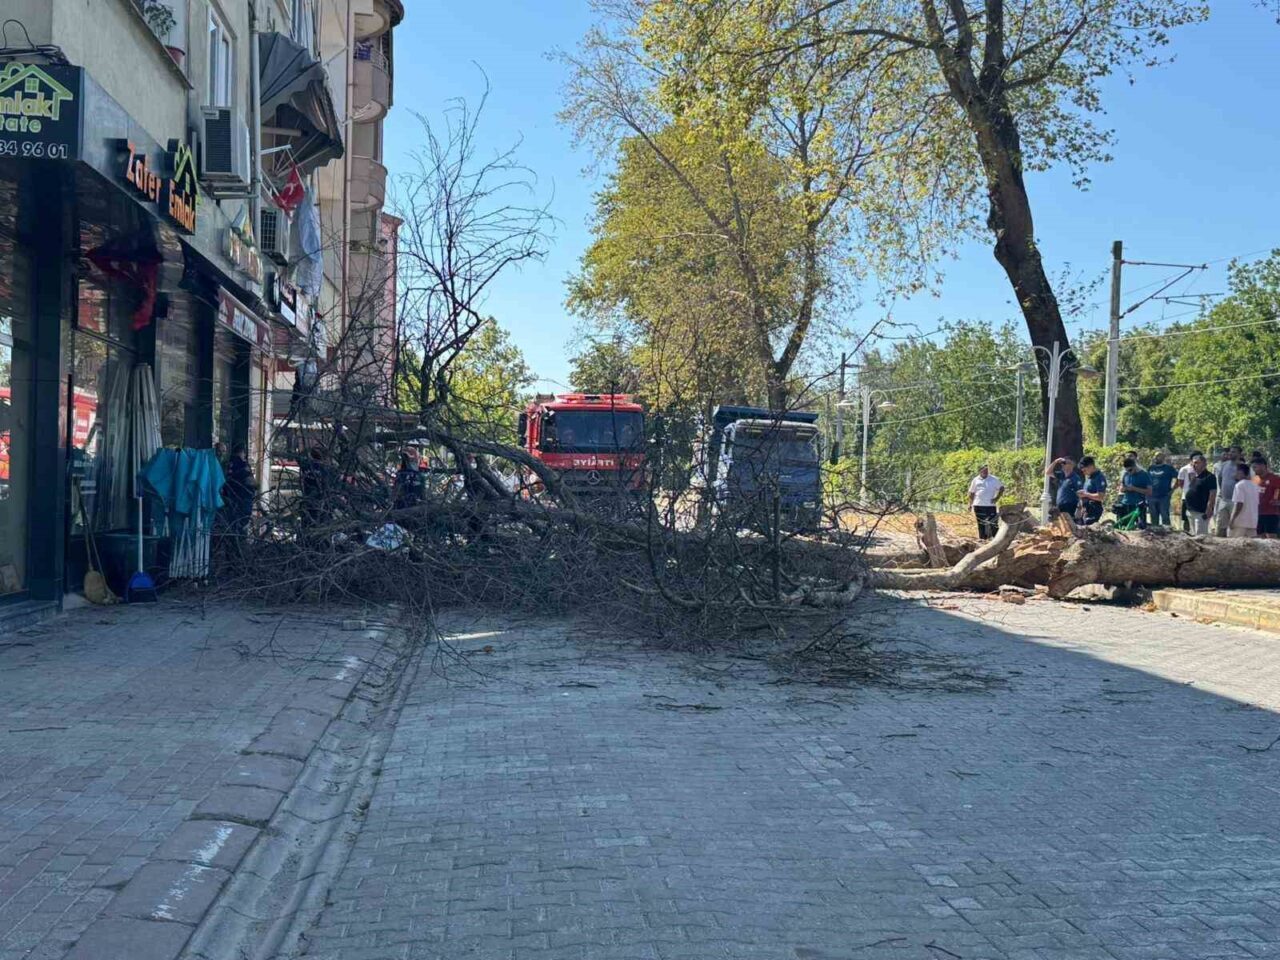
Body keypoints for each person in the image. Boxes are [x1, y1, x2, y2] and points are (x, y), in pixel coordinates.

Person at [222, 444, 257, 537]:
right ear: (241, 452)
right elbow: (248, 480)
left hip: (234, 497)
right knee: (242, 520)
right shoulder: (241, 464)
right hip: (242, 496)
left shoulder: (230, 464)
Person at [1181, 452, 1217, 536]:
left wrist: (1209, 508)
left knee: (1201, 536)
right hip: (1191, 511)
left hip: (1201, 512)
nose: (1194, 465)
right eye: (1193, 463)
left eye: (1197, 463)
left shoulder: (1209, 477)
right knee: (1193, 535)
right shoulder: (1195, 477)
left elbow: (1212, 494)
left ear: (1204, 463)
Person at [967, 464, 1005, 540]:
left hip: (990, 505)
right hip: (978, 505)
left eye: (987, 470)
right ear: (980, 471)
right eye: (984, 470)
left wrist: (996, 498)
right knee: (981, 523)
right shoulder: (975, 480)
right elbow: (971, 493)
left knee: (993, 523)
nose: (986, 472)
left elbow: (1001, 488)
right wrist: (970, 504)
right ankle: (982, 539)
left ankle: (996, 539)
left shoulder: (994, 479)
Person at [1213, 445, 1243, 536]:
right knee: (1220, 525)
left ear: (1239, 454)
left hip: (1236, 501)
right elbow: (1220, 479)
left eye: (1234, 452)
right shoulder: (1224, 465)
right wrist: (1222, 492)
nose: (1230, 453)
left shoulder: (1242, 466)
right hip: (1224, 499)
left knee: (1234, 527)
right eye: (1230, 451)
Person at [1118, 454, 1151, 528]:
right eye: (1127, 470)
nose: (1129, 472)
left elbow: (1149, 491)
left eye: (1130, 470)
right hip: (1126, 503)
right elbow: (1121, 488)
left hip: (1138, 505)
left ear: (1134, 466)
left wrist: (1134, 488)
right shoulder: (1126, 474)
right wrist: (1124, 489)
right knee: (1124, 527)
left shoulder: (1144, 475)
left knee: (1141, 527)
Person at [1046, 456, 1083, 521]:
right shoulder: (1061, 475)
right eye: (1063, 463)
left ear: (1072, 465)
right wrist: (1056, 461)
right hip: (1060, 506)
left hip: (1070, 507)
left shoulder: (1075, 478)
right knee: (1061, 526)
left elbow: (1081, 494)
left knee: (1069, 527)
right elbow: (1048, 472)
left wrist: (1079, 508)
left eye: (1066, 463)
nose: (1063, 465)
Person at [1229, 461, 1260, 538]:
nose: (1234, 474)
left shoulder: (1239, 485)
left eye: (1236, 472)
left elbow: (1239, 504)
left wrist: (1232, 519)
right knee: (1252, 547)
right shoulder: (1255, 485)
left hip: (1240, 523)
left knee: (1235, 546)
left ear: (1240, 472)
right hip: (1252, 521)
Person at [1146, 452, 1177, 528]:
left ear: (1163, 458)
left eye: (1158, 456)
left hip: (1164, 496)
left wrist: (1172, 490)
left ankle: (1167, 534)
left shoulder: (1169, 468)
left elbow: (1179, 478)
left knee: (1165, 516)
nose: (1156, 458)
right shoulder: (1151, 468)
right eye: (1155, 456)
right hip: (1151, 496)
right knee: (1153, 516)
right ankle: (1155, 534)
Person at [1076, 456, 1107, 525]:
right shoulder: (1089, 478)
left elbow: (1100, 497)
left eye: (1085, 470)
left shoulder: (1099, 477)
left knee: (1089, 532)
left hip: (1093, 509)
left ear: (1091, 466)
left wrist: (1086, 494)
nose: (1084, 473)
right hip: (1085, 509)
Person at [1255, 456, 1280, 539]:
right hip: (1257, 513)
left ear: (1263, 466)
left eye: (1255, 467)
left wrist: (1277, 500)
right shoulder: (1255, 480)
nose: (1254, 469)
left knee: (1271, 538)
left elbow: (1277, 491)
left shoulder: (1275, 478)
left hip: (1271, 513)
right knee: (1259, 538)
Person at [1176, 453, 1199, 532]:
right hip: (1186, 496)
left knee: (1197, 516)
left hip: (1199, 497)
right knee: (1186, 517)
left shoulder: (1202, 470)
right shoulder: (1184, 469)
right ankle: (1186, 534)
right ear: (1191, 460)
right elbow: (1180, 483)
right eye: (1196, 459)